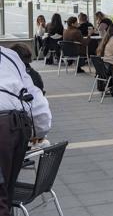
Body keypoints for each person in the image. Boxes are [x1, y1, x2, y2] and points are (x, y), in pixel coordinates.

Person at [0, 46, 51, 215]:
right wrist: (41, 131)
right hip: (16, 126)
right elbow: (35, 97)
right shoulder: (9, 56)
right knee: (5, 193)